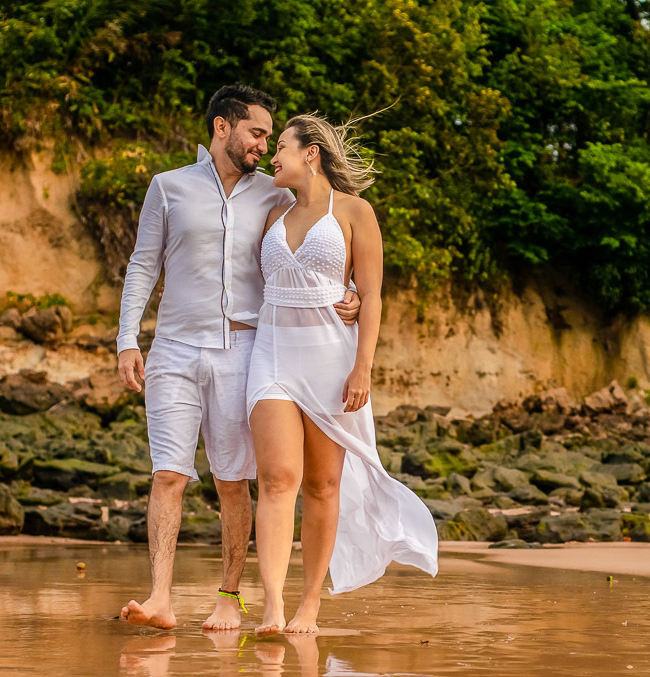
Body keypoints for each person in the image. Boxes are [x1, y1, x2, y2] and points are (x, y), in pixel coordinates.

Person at [115, 86, 361, 631]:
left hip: (247, 349)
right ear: (222, 127)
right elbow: (142, 265)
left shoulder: (274, 195)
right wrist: (127, 339)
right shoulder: (168, 187)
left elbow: (322, 243)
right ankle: (160, 597)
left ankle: (231, 595)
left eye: (271, 138)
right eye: (256, 132)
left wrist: (356, 293)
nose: (264, 146)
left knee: (234, 480)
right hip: (174, 349)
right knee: (168, 475)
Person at [247, 114, 438, 636]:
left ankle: (309, 604)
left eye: (280, 146)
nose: (271, 155)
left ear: (310, 152)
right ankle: (271, 605)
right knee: (277, 479)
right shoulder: (270, 213)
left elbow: (371, 293)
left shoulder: (355, 211)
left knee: (324, 484)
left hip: (332, 356)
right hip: (272, 353)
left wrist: (363, 367)